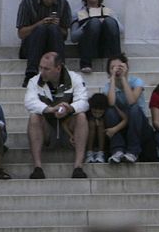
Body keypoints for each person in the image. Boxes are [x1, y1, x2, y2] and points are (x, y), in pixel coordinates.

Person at [24, 51, 88, 179]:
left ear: (58, 68)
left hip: (68, 131)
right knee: (34, 117)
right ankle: (37, 167)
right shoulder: (34, 81)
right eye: (40, 67)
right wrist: (50, 109)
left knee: (81, 117)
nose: (42, 72)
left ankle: (78, 167)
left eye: (46, 68)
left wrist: (70, 108)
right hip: (48, 130)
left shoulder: (75, 78)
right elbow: (29, 102)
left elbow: (84, 101)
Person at [15, 0, 72, 85]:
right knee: (40, 29)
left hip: (53, 46)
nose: (50, 0)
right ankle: (31, 73)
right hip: (31, 47)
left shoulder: (63, 4)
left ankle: (61, 73)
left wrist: (57, 27)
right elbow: (21, 33)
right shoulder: (28, 2)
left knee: (53, 29)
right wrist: (39, 24)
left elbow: (65, 34)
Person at [69, 0, 122, 74]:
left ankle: (117, 62)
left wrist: (108, 19)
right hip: (87, 48)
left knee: (109, 22)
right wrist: (86, 25)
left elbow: (120, 30)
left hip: (105, 48)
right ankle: (86, 64)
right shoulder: (78, 13)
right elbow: (73, 37)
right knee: (94, 23)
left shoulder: (108, 11)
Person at [103, 53, 149, 162]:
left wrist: (123, 78)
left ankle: (133, 151)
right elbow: (111, 103)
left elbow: (132, 101)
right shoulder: (108, 87)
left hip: (139, 123)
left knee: (134, 108)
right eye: (113, 68)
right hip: (121, 122)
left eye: (119, 67)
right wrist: (113, 78)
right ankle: (117, 150)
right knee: (109, 111)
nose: (116, 70)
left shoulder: (137, 82)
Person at [85, 92, 128, 164]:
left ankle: (100, 153)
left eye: (100, 113)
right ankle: (89, 153)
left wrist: (115, 129)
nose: (97, 115)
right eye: (95, 112)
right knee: (92, 123)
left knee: (101, 122)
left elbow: (125, 119)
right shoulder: (87, 110)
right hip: (89, 136)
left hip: (106, 135)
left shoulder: (109, 110)